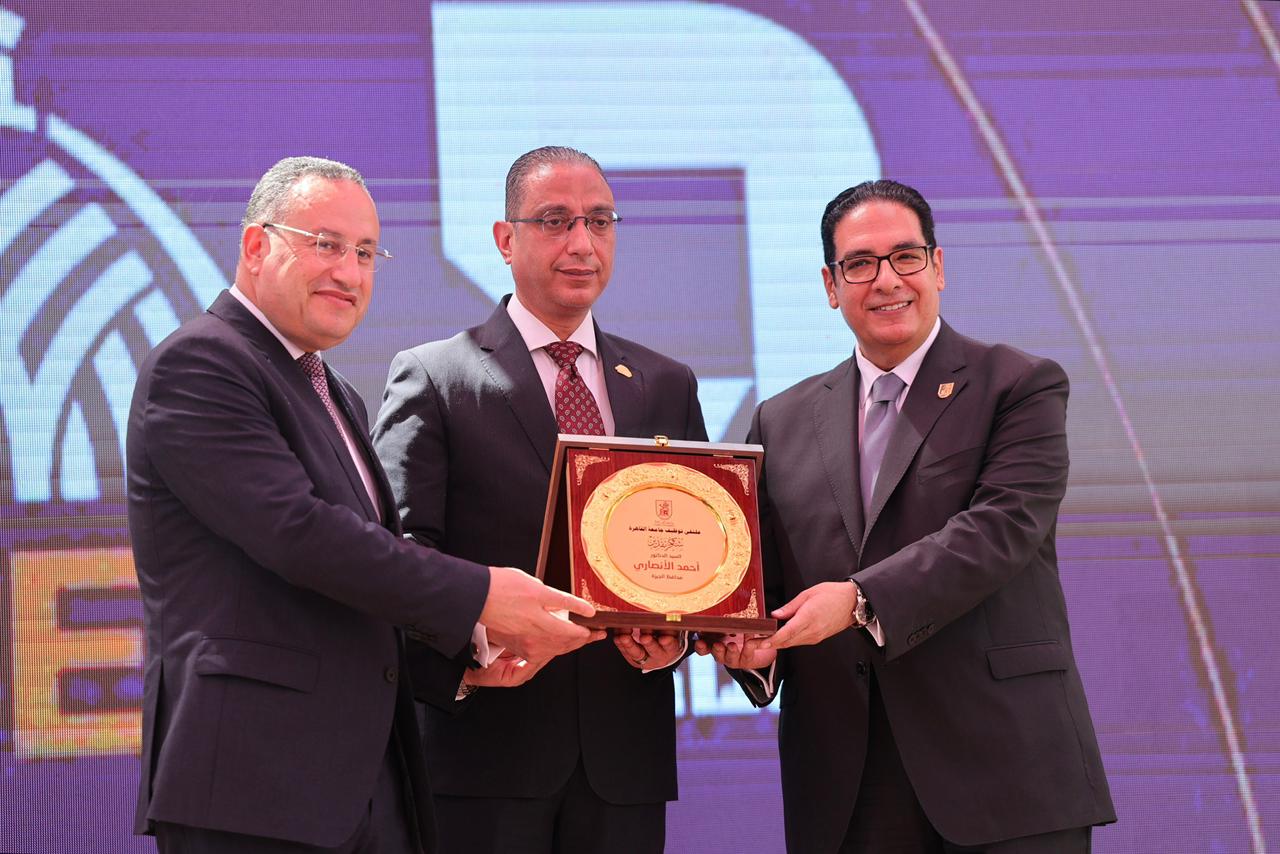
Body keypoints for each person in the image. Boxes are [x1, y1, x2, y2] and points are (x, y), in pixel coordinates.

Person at [127, 155, 599, 854]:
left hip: (361, 787)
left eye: (366, 253)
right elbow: (300, 535)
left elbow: (365, 575)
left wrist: (464, 658)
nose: (349, 273)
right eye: (326, 245)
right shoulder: (201, 363)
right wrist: (482, 594)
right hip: (254, 785)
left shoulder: (334, 391)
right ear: (256, 246)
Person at [697, 179, 1115, 852]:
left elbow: (999, 530)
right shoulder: (781, 420)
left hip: (1004, 770)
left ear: (937, 267)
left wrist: (859, 600)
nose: (887, 280)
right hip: (848, 785)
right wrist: (750, 646)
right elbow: (760, 583)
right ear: (831, 286)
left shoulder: (1018, 386)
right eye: (860, 264)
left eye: (906, 257)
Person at [372, 145, 708, 854]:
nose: (582, 243)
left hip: (625, 761)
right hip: (483, 756)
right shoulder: (435, 377)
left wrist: (672, 638)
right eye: (555, 221)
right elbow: (399, 557)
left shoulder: (666, 383)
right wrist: (482, 646)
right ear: (505, 239)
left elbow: (696, 548)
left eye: (599, 221)